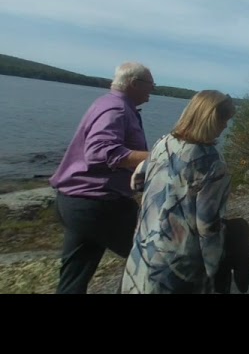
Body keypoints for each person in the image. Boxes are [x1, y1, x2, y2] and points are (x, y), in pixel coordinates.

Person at [50, 61, 154, 294]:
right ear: (135, 84)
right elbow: (100, 151)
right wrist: (158, 156)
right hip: (99, 204)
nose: (153, 90)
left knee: (75, 274)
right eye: (150, 85)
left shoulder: (107, 103)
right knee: (151, 256)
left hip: (75, 201)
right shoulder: (116, 109)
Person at [120, 90, 237, 294]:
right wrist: (214, 267)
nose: (225, 126)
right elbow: (207, 226)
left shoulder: (163, 143)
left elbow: (137, 182)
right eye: (223, 121)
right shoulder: (213, 165)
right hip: (178, 265)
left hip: (144, 250)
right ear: (210, 120)